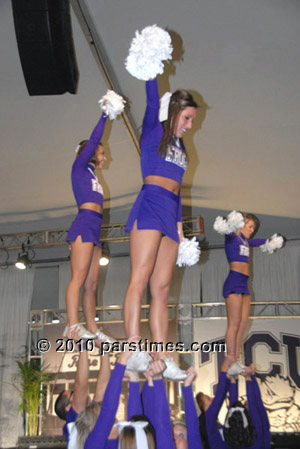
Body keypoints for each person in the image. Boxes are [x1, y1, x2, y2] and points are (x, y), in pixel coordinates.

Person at [123, 74, 198, 379]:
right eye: (188, 118)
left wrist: (180, 226)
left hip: (170, 213)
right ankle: (132, 348)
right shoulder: (154, 130)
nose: (190, 125)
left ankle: (163, 356)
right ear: (175, 110)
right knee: (139, 280)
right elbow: (152, 98)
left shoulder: (181, 147)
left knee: (162, 289)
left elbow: (179, 188)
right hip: (150, 204)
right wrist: (153, 67)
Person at [64, 92, 124, 341]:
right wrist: (105, 114)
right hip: (83, 225)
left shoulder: (92, 175)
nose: (104, 156)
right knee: (78, 277)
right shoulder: (79, 167)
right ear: (87, 152)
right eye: (101, 152)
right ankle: (73, 325)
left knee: (91, 283)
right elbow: (95, 138)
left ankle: (93, 327)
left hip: (95, 229)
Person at [214, 211, 283, 375]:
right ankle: (230, 357)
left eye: (254, 227)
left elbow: (261, 241)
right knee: (234, 323)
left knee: (244, 323)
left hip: (244, 283)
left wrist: (270, 241)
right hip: (234, 281)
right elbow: (224, 227)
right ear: (241, 224)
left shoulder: (246, 241)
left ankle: (236, 359)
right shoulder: (232, 236)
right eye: (250, 226)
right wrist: (229, 223)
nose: (252, 230)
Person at [204, 360, 271, 449]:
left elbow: (255, 406)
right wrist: (248, 377)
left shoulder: (226, 444)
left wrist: (236, 379)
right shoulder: (258, 439)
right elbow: (256, 406)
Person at [54, 345, 111, 445]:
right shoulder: (73, 420)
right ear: (69, 407)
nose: (77, 393)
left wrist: (104, 349)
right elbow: (81, 385)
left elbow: (103, 387)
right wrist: (82, 345)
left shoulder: (89, 414)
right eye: (73, 393)